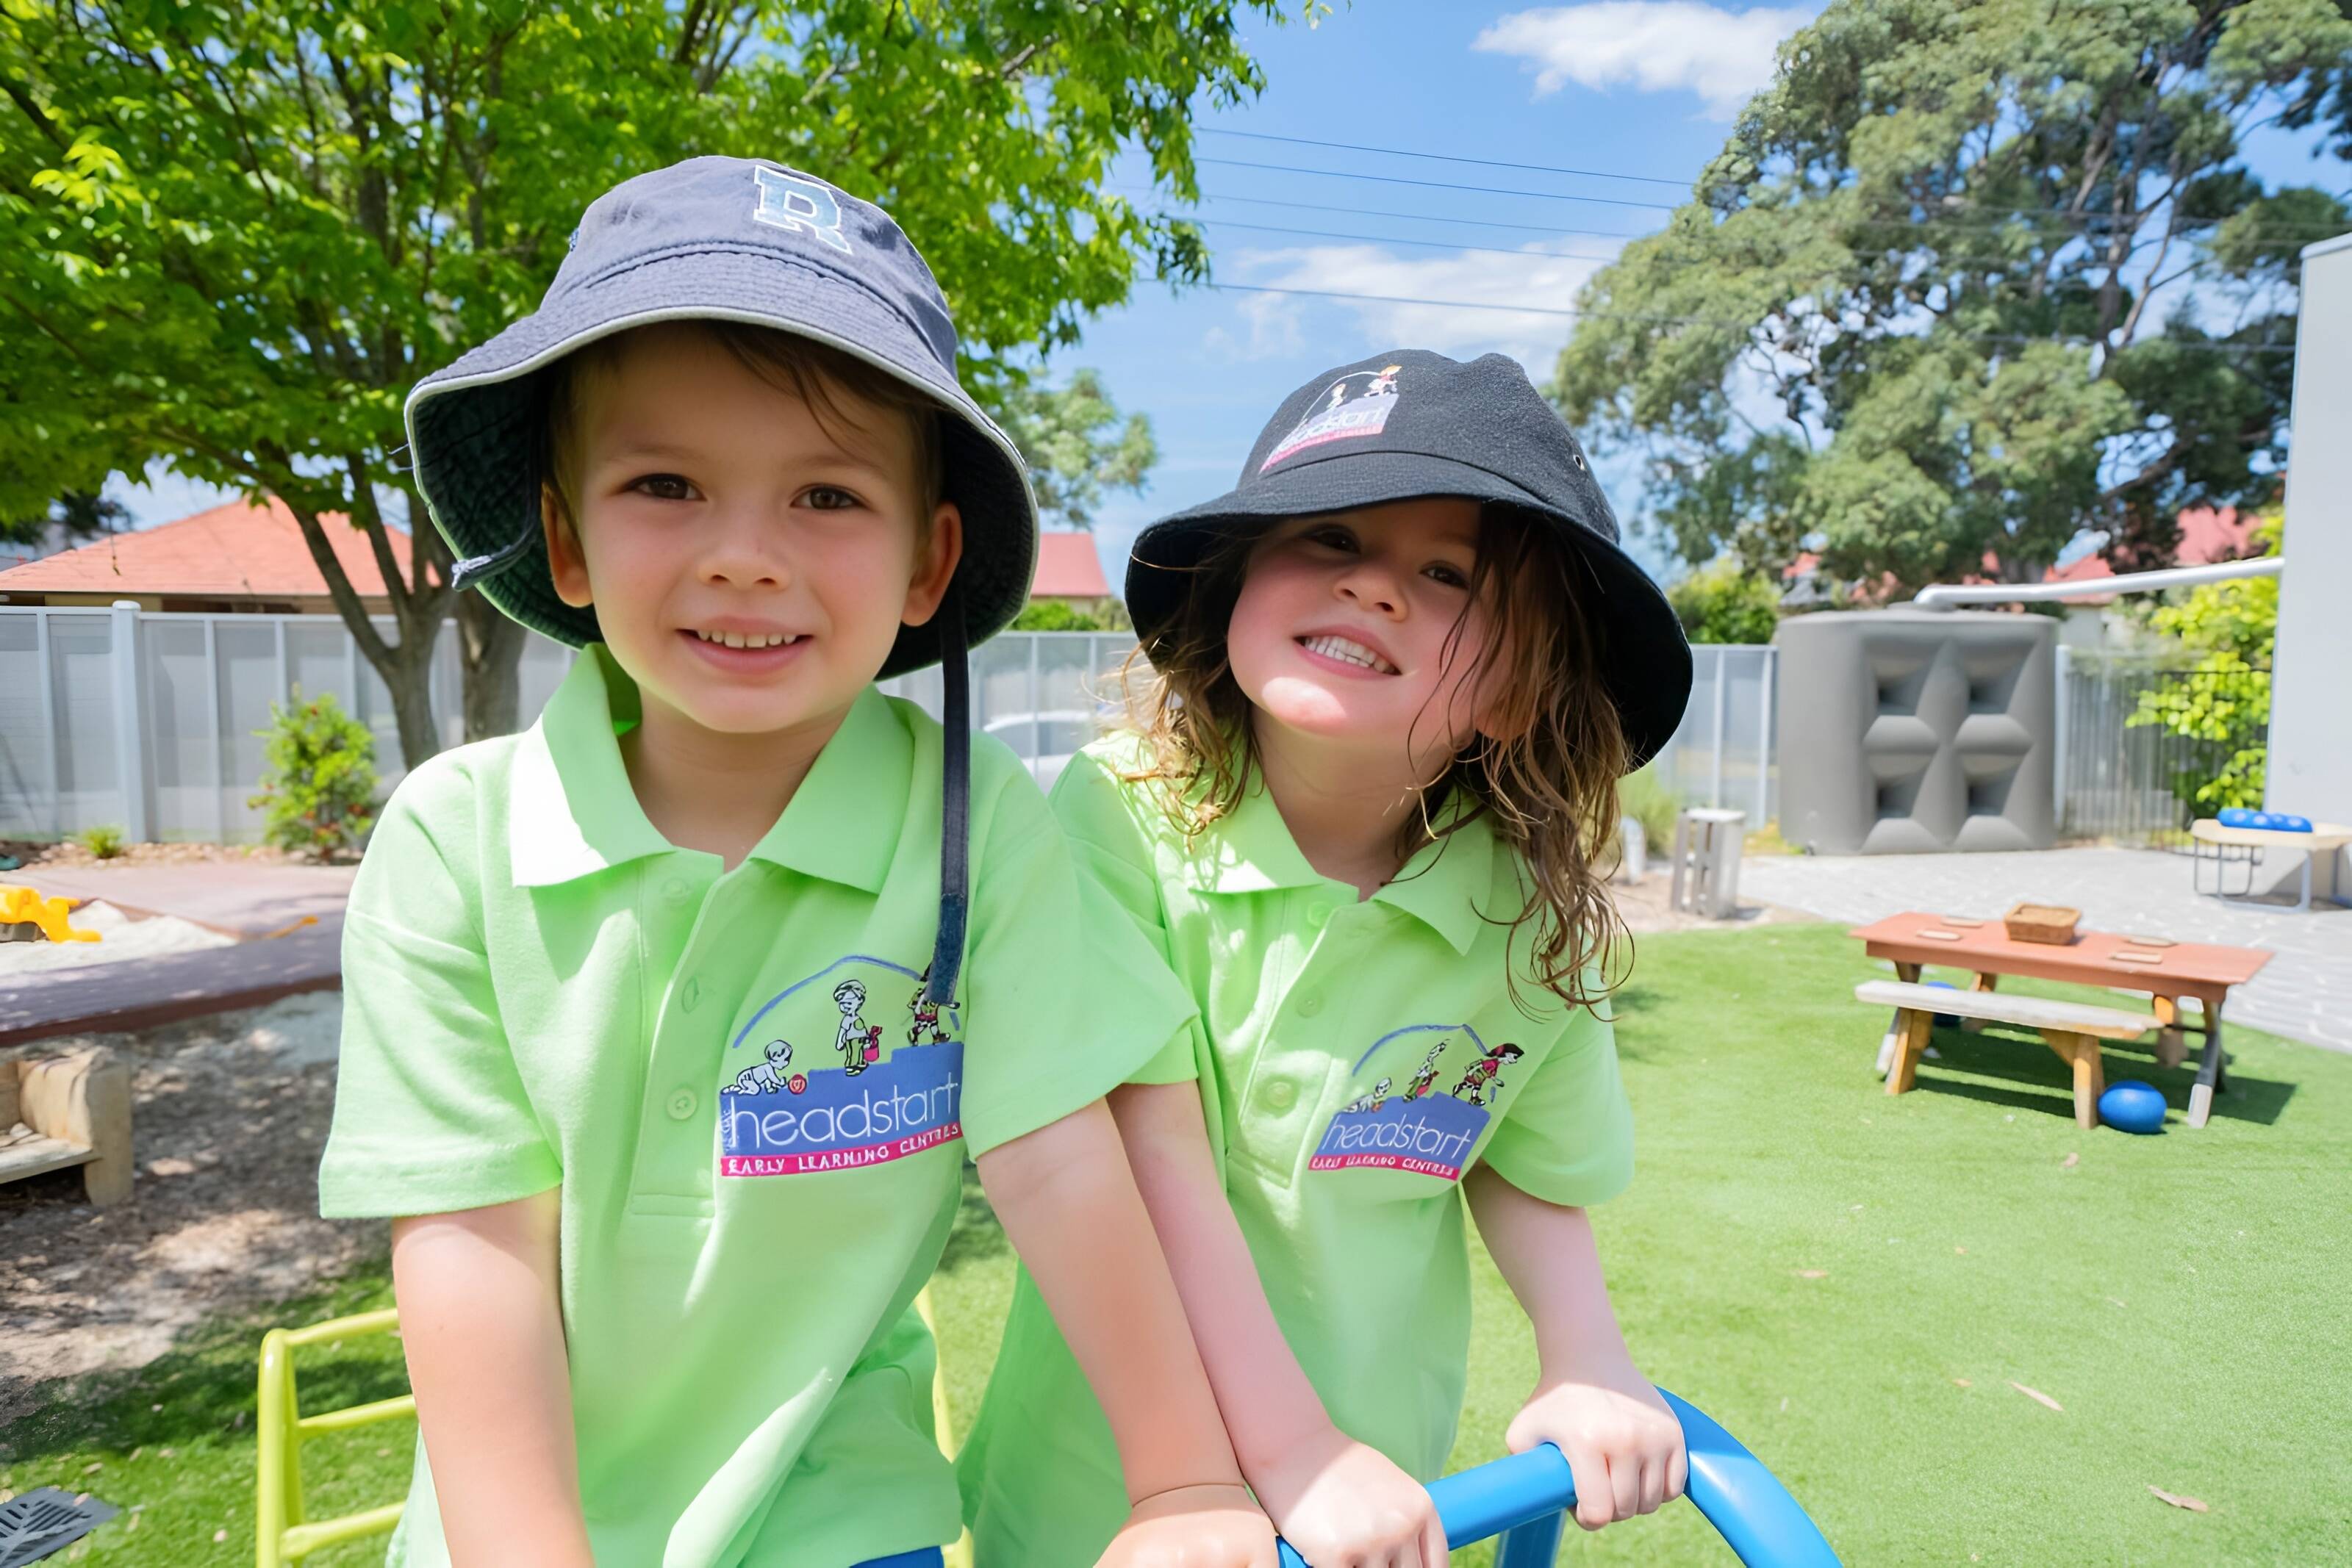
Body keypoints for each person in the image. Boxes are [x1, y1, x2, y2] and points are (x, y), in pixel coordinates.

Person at [318, 157, 1273, 1568]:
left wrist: (1185, 1477)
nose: (746, 556)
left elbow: (1059, 1161)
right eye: (666, 484)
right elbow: (475, 1247)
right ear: (566, 539)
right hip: (516, 1523)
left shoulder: (972, 826)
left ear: (928, 564)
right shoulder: (453, 839)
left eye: (826, 495)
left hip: (842, 1506)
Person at [958, 350, 1698, 1567]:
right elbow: (1149, 1149)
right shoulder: (1122, 810)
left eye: (1448, 572)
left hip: (1373, 1491)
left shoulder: (1521, 913)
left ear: (1520, 689)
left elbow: (1523, 1157)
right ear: (1234, 587)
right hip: (1108, 1497)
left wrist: (1586, 1353)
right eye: (1331, 535)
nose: (1373, 585)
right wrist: (1291, 1447)